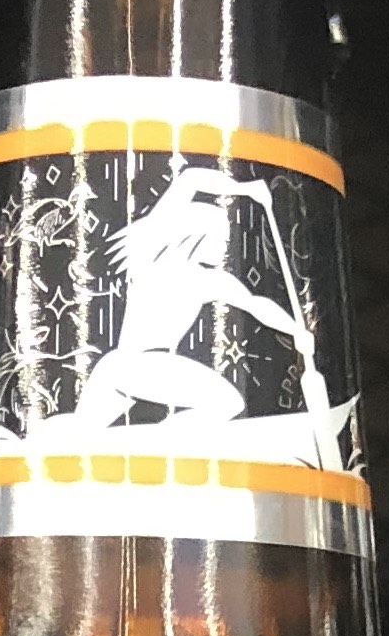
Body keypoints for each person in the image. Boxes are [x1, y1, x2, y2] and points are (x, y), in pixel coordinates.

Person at [49, 167, 326, 449]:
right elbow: (189, 179)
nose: (225, 245)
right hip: (146, 366)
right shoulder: (166, 262)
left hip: (114, 367)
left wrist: (296, 330)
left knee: (77, 433)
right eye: (222, 237)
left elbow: (257, 306)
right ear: (199, 235)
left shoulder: (176, 269)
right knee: (227, 403)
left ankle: (36, 441)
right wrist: (244, 189)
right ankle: (156, 446)